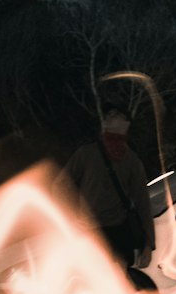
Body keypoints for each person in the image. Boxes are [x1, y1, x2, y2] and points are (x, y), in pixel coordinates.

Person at [64, 103, 155, 270]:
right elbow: (142, 203)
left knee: (104, 282)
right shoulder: (91, 154)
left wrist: (71, 215)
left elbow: (142, 202)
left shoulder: (127, 161)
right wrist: (148, 245)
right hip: (105, 232)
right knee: (111, 281)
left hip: (102, 231)